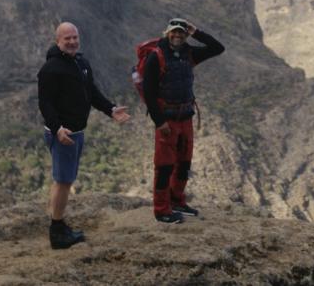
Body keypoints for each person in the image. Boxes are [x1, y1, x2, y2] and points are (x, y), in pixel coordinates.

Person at [37, 21, 131, 249]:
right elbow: (45, 103)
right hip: (64, 134)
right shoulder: (51, 69)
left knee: (64, 179)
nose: (71, 41)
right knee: (63, 181)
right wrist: (58, 128)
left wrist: (110, 109)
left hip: (76, 132)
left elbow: (91, 93)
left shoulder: (81, 63)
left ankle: (58, 225)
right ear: (57, 41)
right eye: (66, 38)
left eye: (74, 37)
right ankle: (57, 232)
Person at [142, 18, 225, 223]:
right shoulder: (156, 57)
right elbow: (148, 93)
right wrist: (159, 122)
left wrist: (196, 31)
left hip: (186, 117)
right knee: (164, 166)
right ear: (167, 33)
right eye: (174, 32)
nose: (178, 35)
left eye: (182, 32)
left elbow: (217, 48)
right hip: (167, 121)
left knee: (184, 163)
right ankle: (161, 210)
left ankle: (177, 201)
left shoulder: (190, 54)